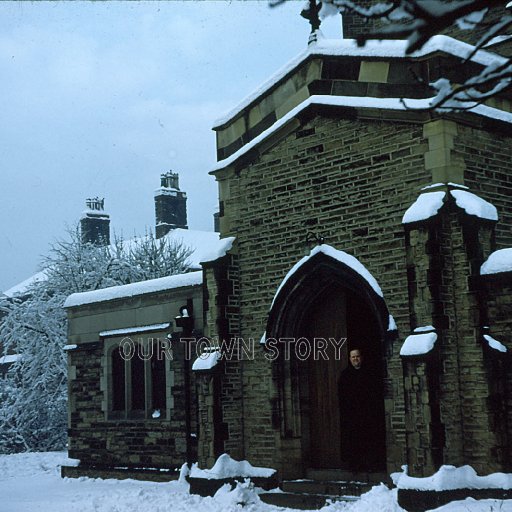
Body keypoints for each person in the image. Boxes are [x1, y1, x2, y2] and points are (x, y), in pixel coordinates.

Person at [338, 348, 384, 472]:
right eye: (353, 357)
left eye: (357, 356)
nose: (355, 359)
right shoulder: (345, 375)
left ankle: (370, 465)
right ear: (350, 359)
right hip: (352, 415)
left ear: (361, 357)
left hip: (367, 414)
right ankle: (355, 466)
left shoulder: (369, 373)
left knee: (368, 440)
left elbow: (374, 393)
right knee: (354, 440)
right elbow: (342, 396)